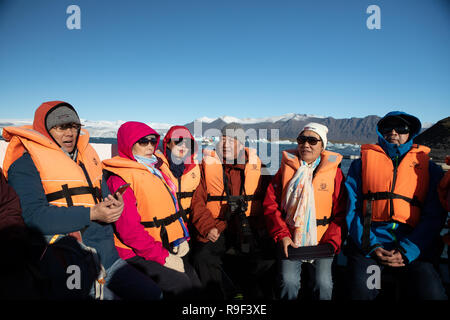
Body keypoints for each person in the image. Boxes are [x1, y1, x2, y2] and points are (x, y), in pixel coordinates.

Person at [2, 101, 162, 300]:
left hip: (108, 257)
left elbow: (103, 196)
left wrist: (114, 204)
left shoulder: (87, 160)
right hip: (68, 263)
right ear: (45, 129)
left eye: (74, 126)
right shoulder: (25, 166)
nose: (70, 133)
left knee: (154, 295)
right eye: (62, 127)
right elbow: (32, 217)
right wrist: (91, 213)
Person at [344, 111, 447, 300]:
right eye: (387, 127)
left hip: (413, 250)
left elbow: (434, 216)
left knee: (431, 293)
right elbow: (353, 210)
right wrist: (371, 246)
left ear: (411, 132)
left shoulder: (430, 170)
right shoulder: (360, 166)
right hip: (372, 250)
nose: (393, 132)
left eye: (401, 128)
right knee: (363, 293)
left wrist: (408, 250)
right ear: (380, 132)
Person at [102, 121, 201, 299]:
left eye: (152, 141)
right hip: (134, 252)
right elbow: (130, 232)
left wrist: (179, 239)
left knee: (193, 278)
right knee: (181, 283)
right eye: (142, 142)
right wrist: (163, 257)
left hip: (160, 243)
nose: (149, 146)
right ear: (128, 144)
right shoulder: (120, 179)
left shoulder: (153, 170)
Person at [263, 122, 347, 300]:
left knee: (323, 283)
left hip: (324, 239)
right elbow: (271, 206)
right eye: (302, 140)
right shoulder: (285, 171)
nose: (306, 145)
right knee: (288, 281)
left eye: (312, 140)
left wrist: (332, 242)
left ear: (322, 146)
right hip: (290, 238)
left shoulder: (335, 174)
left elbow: (341, 212)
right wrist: (282, 235)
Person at [189, 122, 274, 300]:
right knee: (202, 258)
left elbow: (271, 202)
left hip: (249, 227)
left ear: (242, 145)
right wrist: (207, 227)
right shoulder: (206, 167)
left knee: (268, 259)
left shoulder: (261, 169)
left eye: (232, 140)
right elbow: (197, 202)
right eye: (223, 139)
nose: (226, 144)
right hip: (218, 226)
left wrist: (263, 229)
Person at [162, 125, 200, 221]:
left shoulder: (195, 168)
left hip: (191, 223)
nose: (183, 145)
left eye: (187, 143)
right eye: (178, 141)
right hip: (167, 227)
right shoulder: (156, 168)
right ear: (167, 143)